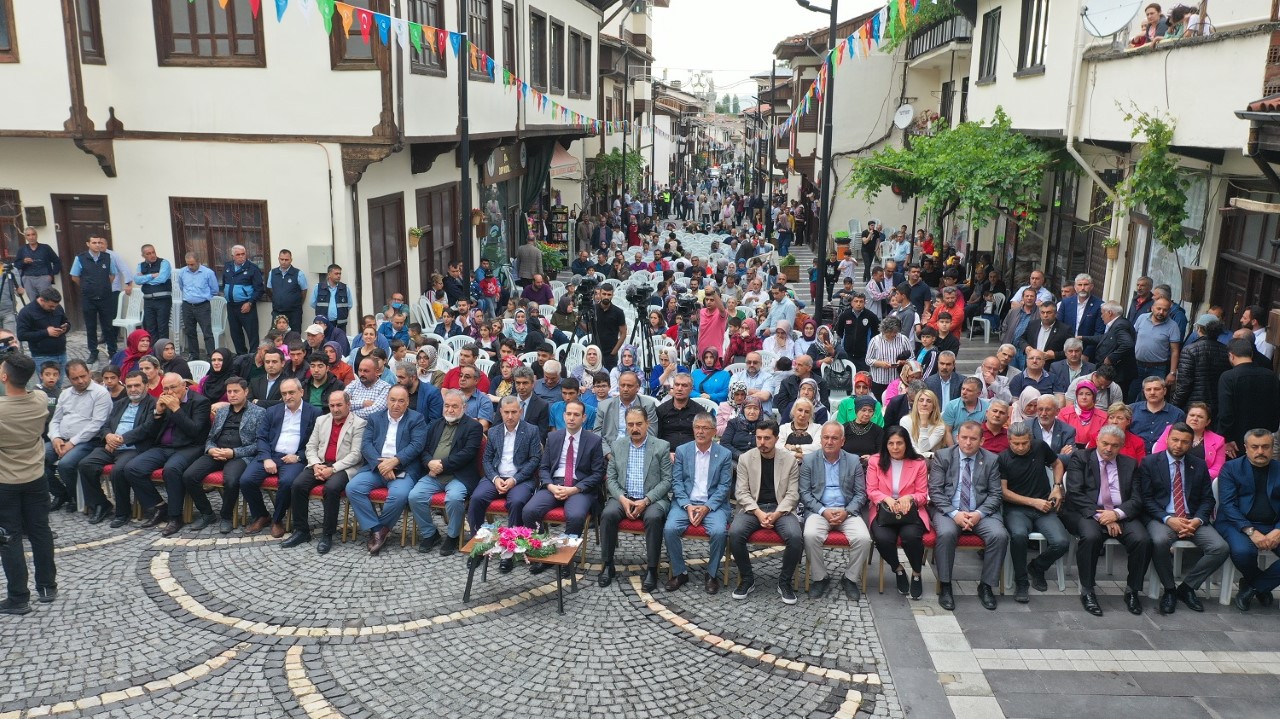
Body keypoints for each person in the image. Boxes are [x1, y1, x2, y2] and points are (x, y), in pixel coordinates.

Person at [1137, 422, 1228, 614]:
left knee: (1220, 547)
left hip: (1191, 518)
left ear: (1191, 444)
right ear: (1168, 439)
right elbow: (1146, 499)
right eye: (1175, 440)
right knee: (1159, 541)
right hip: (1162, 518)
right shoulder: (1150, 462)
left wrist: (1197, 520)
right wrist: (1168, 519)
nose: (1179, 445)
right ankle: (1169, 589)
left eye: (1185, 442)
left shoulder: (1199, 464)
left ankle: (1187, 588)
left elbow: (1207, 499)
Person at [1063, 425, 1153, 617]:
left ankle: (1132, 591)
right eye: (1105, 443)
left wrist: (1117, 514)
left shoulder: (1129, 464)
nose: (1108, 449)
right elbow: (1075, 493)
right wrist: (1103, 516)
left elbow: (1137, 499)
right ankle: (1087, 591)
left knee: (1142, 540)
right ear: (1097, 440)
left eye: (1114, 445)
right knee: (1091, 536)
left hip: (1120, 513)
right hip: (1086, 512)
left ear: (1121, 446)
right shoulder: (1081, 458)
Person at [929, 422, 1009, 611]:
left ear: (982, 440)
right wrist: (955, 514)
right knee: (946, 534)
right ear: (957, 437)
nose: (968, 443)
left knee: (999, 535)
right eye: (964, 437)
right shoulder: (943, 456)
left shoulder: (991, 460)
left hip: (981, 512)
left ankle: (986, 586)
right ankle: (946, 585)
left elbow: (995, 494)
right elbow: (935, 491)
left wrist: (978, 514)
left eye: (973, 439)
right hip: (949, 511)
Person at [0, 353, 58, 614]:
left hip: (6, 481)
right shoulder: (40, 400)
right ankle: (47, 586)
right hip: (35, 476)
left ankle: (18, 597)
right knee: (40, 531)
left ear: (4, 377)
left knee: (9, 538)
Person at [124, 372, 212, 532]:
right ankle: (158, 506)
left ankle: (175, 517)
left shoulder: (200, 402)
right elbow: (151, 431)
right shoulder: (163, 400)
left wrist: (176, 409)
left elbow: (195, 431)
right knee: (132, 468)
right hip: (163, 447)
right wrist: (158, 413)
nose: (170, 392)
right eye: (166, 389)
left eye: (173, 387)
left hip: (190, 447)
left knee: (171, 470)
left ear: (184, 386)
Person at [728, 420, 804, 604]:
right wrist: (759, 513)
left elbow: (793, 494)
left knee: (795, 537)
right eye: (758, 438)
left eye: (767, 438)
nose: (762, 442)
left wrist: (777, 514)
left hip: (781, 509)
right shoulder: (746, 458)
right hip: (753, 508)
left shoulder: (789, 460)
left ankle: (784, 581)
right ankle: (747, 578)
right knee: (735, 534)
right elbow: (741, 493)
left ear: (776, 439)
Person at [598, 408, 672, 590]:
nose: (635, 428)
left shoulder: (661, 446)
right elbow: (611, 479)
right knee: (607, 514)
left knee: (654, 518)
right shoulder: (618, 446)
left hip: (652, 499)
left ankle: (652, 569)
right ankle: (607, 565)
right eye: (630, 424)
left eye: (639, 424)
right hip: (624, 496)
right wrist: (622, 499)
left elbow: (667, 481)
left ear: (648, 424)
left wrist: (646, 500)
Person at [348, 385, 427, 555]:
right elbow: (366, 444)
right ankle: (378, 529)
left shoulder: (417, 419)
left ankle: (380, 530)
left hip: (402, 468)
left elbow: (417, 445)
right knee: (353, 488)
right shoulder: (375, 418)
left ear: (407, 403)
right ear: (386, 400)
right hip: (376, 467)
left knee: (399, 495)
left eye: (401, 401)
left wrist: (394, 462)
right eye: (392, 400)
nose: (396, 404)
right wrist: (381, 466)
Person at [237, 378, 319, 538]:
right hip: (271, 454)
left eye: (291, 392)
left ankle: (277, 519)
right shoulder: (273, 411)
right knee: (246, 480)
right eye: (284, 394)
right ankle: (261, 515)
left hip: (294, 458)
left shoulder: (314, 413)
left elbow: (317, 442)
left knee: (288, 482)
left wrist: (298, 456)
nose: (288, 397)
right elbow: (261, 437)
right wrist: (266, 458)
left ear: (301, 392)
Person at [800, 422, 872, 601]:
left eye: (834, 438)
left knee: (864, 539)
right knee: (810, 535)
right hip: (819, 510)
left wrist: (846, 512)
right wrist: (823, 511)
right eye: (826, 437)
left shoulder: (853, 461)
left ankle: (849, 578)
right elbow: (804, 493)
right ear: (821, 439)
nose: (829, 441)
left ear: (843, 440)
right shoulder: (809, 460)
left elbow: (860, 493)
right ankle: (820, 578)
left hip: (846, 511)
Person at [523, 400, 605, 554]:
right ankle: (541, 550)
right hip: (555, 484)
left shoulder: (594, 441)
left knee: (575, 516)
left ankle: (565, 558)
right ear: (563, 415)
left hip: (579, 487)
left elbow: (598, 473)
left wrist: (575, 489)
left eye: (576, 415)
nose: (572, 418)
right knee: (529, 511)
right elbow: (544, 467)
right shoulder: (553, 437)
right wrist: (550, 486)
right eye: (569, 414)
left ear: (584, 418)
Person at [999, 422, 1069, 603]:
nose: (1021, 447)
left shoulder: (1039, 447)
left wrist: (1057, 486)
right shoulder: (1003, 459)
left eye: (1024, 443)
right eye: (1016, 444)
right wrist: (1033, 502)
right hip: (1017, 509)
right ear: (1009, 441)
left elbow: (1057, 463)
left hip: (1044, 507)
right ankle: (1021, 581)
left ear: (1030, 440)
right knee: (1019, 536)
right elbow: (1004, 493)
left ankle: (1037, 567)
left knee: (1061, 542)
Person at [470, 396, 542, 570]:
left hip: (520, 479)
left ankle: (509, 552)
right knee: (476, 499)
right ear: (500, 412)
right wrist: (495, 479)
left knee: (516, 502)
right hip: (495, 477)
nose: (510, 416)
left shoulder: (531, 430)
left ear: (520, 412)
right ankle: (477, 546)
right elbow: (486, 460)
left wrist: (514, 479)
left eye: (514, 412)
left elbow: (534, 460)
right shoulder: (494, 432)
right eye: (506, 412)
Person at [408, 390, 483, 555]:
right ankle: (430, 533)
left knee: (455, 499)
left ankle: (453, 535)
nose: (449, 410)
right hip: (433, 475)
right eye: (447, 405)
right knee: (414, 496)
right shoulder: (435, 424)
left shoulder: (474, 426)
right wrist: (429, 463)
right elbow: (424, 449)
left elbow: (468, 453)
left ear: (464, 407)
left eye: (454, 406)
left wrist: (441, 464)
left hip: (459, 476)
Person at [76, 370, 156, 525]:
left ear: (146, 385)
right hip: (111, 445)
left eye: (137, 385)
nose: (133, 389)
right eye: (129, 386)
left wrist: (121, 439)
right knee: (85, 465)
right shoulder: (120, 403)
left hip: (134, 448)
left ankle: (123, 512)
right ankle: (101, 504)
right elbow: (105, 425)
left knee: (118, 470)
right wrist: (108, 436)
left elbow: (148, 428)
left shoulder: (153, 403)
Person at [1217, 429, 1280, 611]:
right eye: (1255, 447)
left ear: (1272, 447)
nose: (1260, 451)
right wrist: (1251, 531)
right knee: (1244, 552)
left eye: (1265, 447)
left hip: (1273, 525)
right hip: (1236, 524)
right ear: (1246, 448)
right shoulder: (1231, 468)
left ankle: (1253, 587)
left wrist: (1278, 530)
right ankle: (1260, 586)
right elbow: (1228, 506)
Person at [866, 426, 930, 599]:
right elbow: (871, 490)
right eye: (891, 443)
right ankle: (898, 569)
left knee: (910, 536)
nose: (895, 447)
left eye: (899, 443)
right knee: (883, 538)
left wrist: (909, 498)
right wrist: (886, 499)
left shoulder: (918, 463)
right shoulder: (875, 461)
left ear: (906, 443)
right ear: (885, 445)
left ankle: (916, 573)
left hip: (910, 511)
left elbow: (923, 495)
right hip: (883, 510)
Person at [42, 359, 111, 511]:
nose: (80, 381)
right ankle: (62, 493)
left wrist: (72, 443)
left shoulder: (100, 394)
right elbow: (55, 420)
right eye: (75, 378)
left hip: (89, 441)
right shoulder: (65, 394)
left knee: (66, 465)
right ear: (68, 379)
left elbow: (96, 424)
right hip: (62, 439)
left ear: (89, 373)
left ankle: (78, 497)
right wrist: (55, 438)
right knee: (36, 460)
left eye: (83, 376)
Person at [70, 235, 132, 364]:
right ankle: (93, 352)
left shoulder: (107, 257)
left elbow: (112, 274)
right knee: (91, 326)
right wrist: (87, 286)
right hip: (89, 298)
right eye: (94, 242)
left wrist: (103, 285)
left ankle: (112, 351)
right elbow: (75, 276)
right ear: (88, 244)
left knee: (108, 326)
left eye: (99, 242)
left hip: (105, 297)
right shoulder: (80, 258)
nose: (97, 245)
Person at [1219, 338, 1280, 454]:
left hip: (1236, 440)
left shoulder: (1228, 377)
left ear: (1231, 356)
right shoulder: (1271, 376)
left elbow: (1226, 412)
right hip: (1264, 436)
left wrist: (1225, 437)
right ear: (1251, 354)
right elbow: (1276, 406)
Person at [16, 287, 69, 384]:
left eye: (55, 306)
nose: (54, 309)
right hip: (42, 356)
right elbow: (22, 335)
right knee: (47, 388)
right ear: (41, 300)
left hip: (62, 353)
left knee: (58, 386)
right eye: (51, 306)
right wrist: (46, 332)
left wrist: (65, 328)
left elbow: (66, 321)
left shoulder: (57, 307)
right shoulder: (26, 312)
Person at [221, 244, 264, 355]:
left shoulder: (252, 268)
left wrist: (250, 303)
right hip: (231, 306)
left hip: (246, 306)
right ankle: (241, 357)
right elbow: (224, 283)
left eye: (243, 254)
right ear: (232, 256)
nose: (241, 257)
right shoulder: (227, 267)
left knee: (252, 334)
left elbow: (259, 289)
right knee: (235, 334)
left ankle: (253, 358)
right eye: (238, 254)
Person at [176, 252, 219, 361]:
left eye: (192, 264)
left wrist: (205, 297)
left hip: (202, 306)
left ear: (198, 262)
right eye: (188, 264)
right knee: (190, 331)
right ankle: (194, 355)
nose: (190, 267)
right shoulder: (182, 272)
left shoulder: (208, 273)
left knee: (207, 332)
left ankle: (211, 356)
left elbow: (215, 290)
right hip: (187, 305)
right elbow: (181, 286)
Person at [134, 244, 173, 343]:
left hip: (163, 300)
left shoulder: (164, 263)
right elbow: (137, 280)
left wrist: (145, 279)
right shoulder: (140, 265)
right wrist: (152, 275)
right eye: (148, 253)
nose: (152, 255)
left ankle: (162, 353)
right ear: (143, 256)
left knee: (162, 328)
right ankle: (152, 352)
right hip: (148, 301)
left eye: (153, 252)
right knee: (150, 328)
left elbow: (162, 278)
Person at [899, 389, 949, 459]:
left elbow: (924, 448)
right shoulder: (905, 421)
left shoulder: (940, 426)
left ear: (933, 407)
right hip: (912, 459)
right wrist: (926, 455)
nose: (924, 404)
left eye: (929, 401)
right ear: (916, 404)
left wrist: (924, 423)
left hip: (931, 463)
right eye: (921, 400)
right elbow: (911, 447)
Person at [656, 373, 700, 451]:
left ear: (691, 389)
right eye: (677, 385)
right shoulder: (661, 410)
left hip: (691, 454)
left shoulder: (699, 411)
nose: (679, 388)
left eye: (684, 385)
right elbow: (656, 438)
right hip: (666, 454)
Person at [16, 227, 60, 301]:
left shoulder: (45, 248)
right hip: (28, 279)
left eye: (33, 234)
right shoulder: (22, 249)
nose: (31, 237)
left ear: (37, 235)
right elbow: (16, 265)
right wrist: (24, 262)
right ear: (25, 237)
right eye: (28, 235)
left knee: (47, 301)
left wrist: (51, 275)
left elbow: (57, 262)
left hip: (43, 278)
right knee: (33, 303)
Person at [310, 264, 352, 334]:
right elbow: (313, 303)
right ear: (329, 274)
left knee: (340, 341)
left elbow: (349, 305)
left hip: (340, 324)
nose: (339, 276)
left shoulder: (345, 288)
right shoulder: (319, 287)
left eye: (340, 274)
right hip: (323, 323)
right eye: (336, 274)